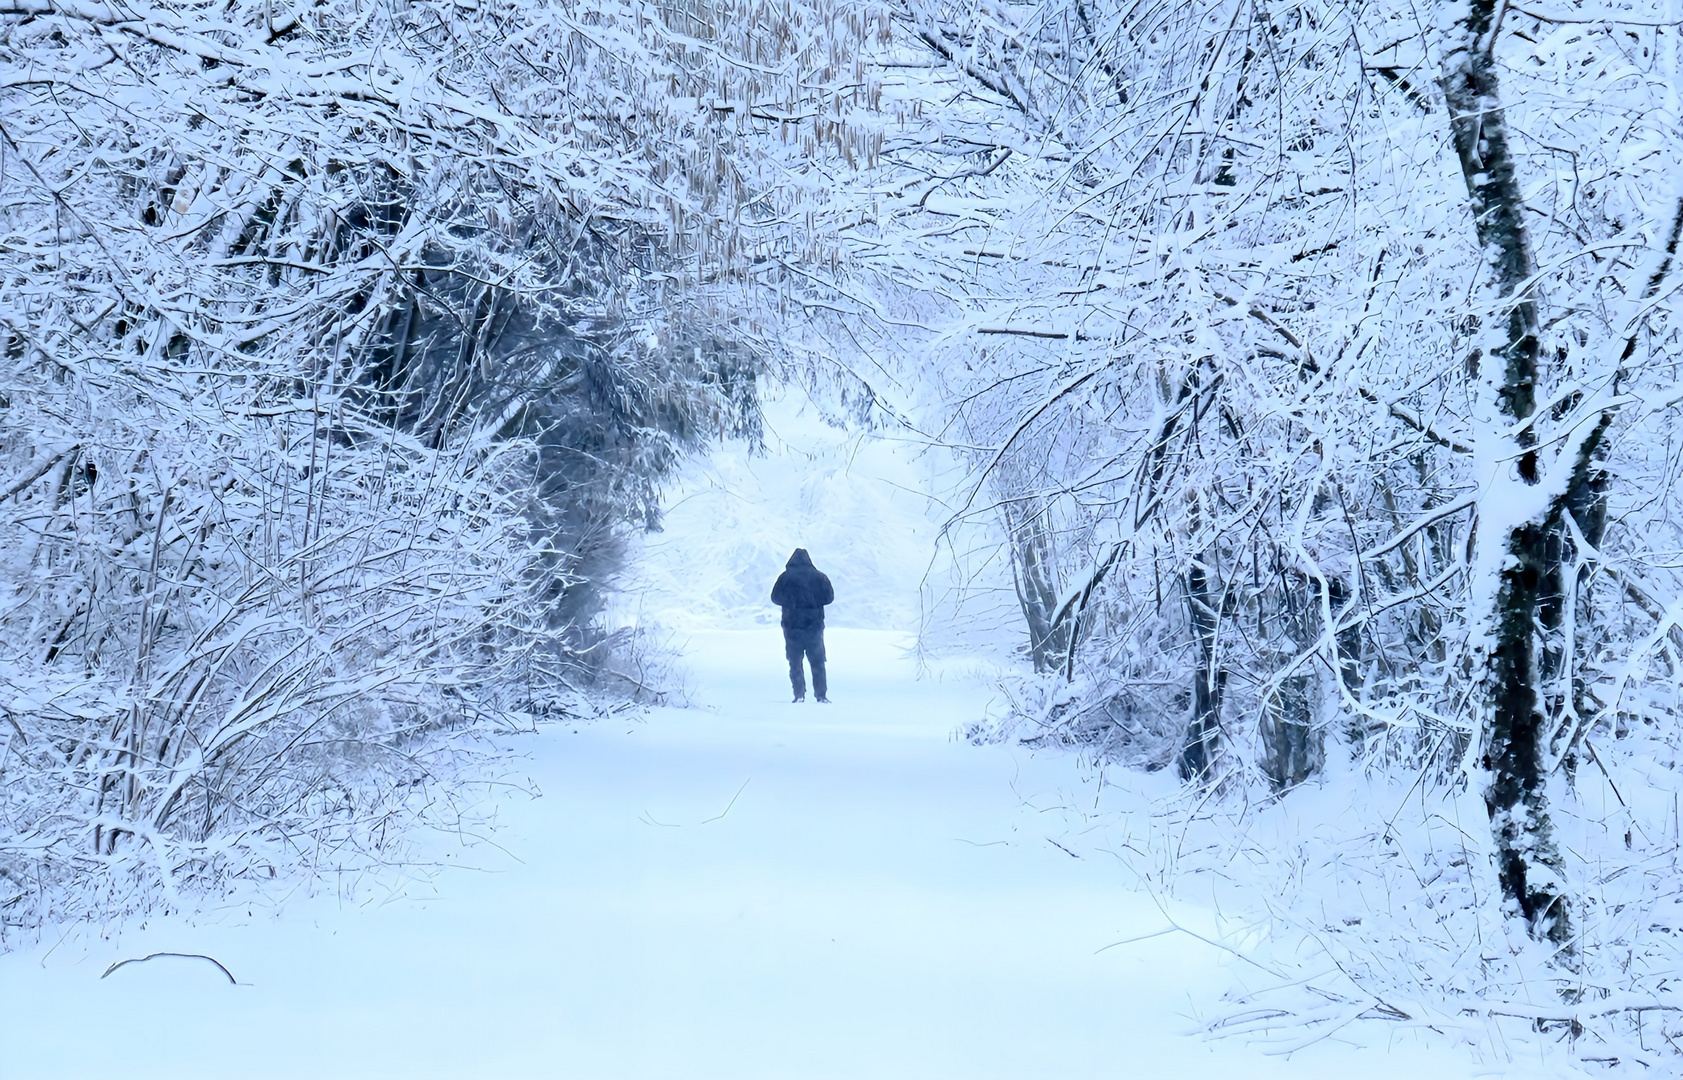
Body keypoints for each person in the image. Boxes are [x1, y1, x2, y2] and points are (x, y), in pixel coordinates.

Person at [770, 548, 834, 703]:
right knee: (817, 661)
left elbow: (775, 598)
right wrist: (813, 602)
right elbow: (829, 597)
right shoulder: (819, 577)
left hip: (792, 627)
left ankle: (799, 694)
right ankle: (821, 695)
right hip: (814, 626)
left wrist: (791, 603)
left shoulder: (785, 578)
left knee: (795, 662)